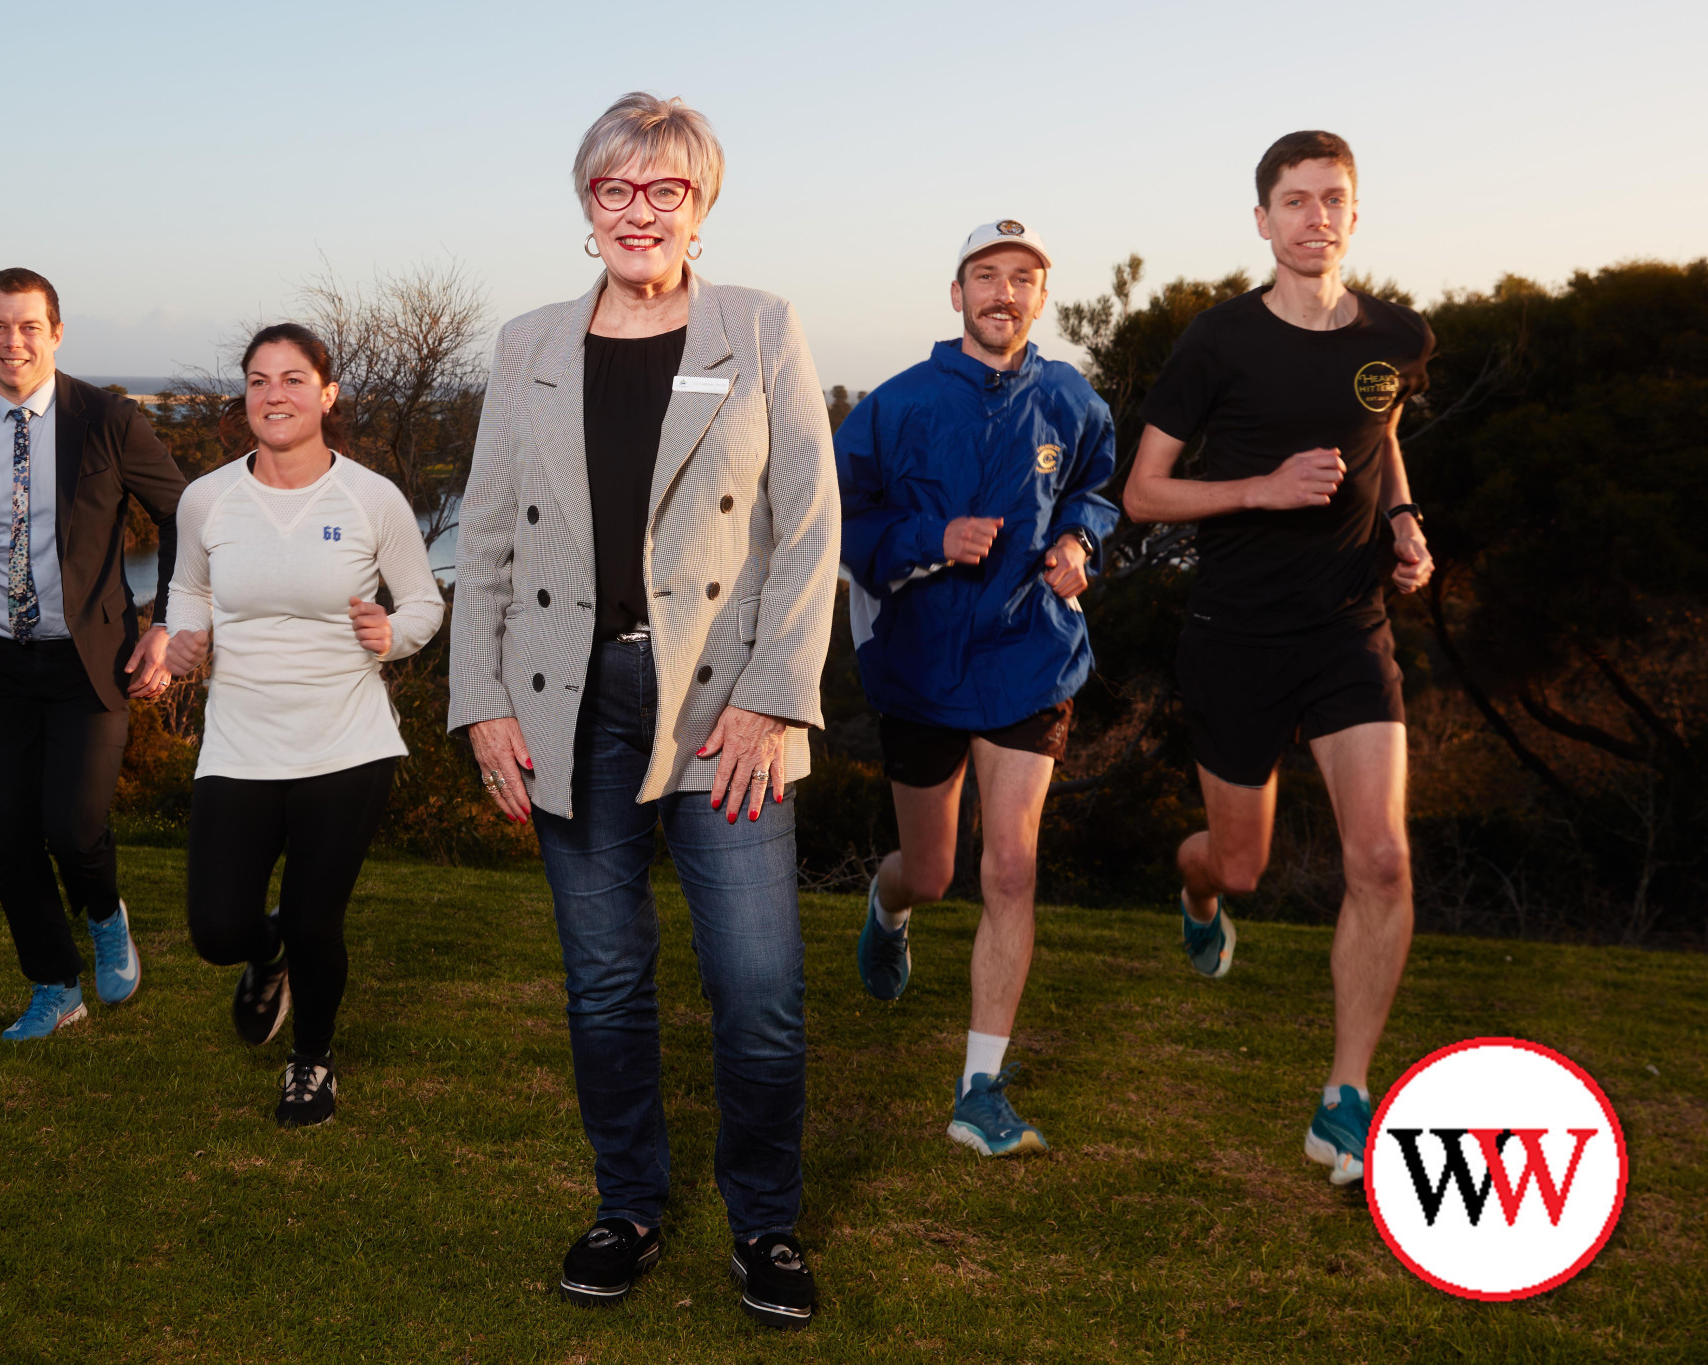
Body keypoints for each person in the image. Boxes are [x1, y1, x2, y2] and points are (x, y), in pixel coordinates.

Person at [448, 93, 839, 1329]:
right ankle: (627, 1207)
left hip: (718, 710)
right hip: (566, 706)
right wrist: (482, 706)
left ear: (700, 204)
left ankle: (764, 1227)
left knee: (757, 988)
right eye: (613, 189)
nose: (636, 210)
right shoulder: (526, 346)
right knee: (605, 986)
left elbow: (809, 529)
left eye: (662, 189)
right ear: (584, 205)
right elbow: (491, 543)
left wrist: (773, 702)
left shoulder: (759, 326)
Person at [1122, 131, 1435, 1186]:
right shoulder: (1214, 343)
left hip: (1347, 630)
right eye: (1292, 202)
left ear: (1355, 213)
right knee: (1241, 862)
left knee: (1381, 859)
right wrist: (1258, 488)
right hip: (1235, 636)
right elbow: (1143, 492)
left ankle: (1343, 1098)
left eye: (1331, 199)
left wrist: (1399, 519)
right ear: (1261, 222)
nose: (1314, 218)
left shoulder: (1397, 333)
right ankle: (1197, 891)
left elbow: (1378, 427)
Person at [835, 222, 1118, 1158]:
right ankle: (891, 908)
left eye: (1023, 277)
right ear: (955, 294)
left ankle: (979, 1088)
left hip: (1029, 656)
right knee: (935, 869)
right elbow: (840, 523)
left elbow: (1095, 489)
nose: (1005, 291)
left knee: (1011, 867)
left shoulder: (1071, 398)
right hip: (919, 665)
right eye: (987, 276)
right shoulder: (894, 406)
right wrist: (929, 540)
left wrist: (1078, 543)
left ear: (1041, 296)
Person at [0, 268, 185, 1041]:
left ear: (55, 333)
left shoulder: (110, 420)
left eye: (27, 327)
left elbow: (187, 515)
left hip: (89, 662)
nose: (10, 342)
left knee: (75, 826)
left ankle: (104, 909)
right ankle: (55, 983)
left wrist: (166, 623)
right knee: (8, 834)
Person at [163, 323, 442, 1128]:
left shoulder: (370, 498)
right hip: (240, 742)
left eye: (292, 379)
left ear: (326, 395)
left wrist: (395, 634)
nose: (273, 395)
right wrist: (185, 636)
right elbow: (190, 590)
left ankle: (311, 1060)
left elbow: (423, 600)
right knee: (218, 928)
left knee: (320, 916)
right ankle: (265, 951)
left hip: (346, 744)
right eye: (257, 380)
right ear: (243, 396)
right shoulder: (208, 498)